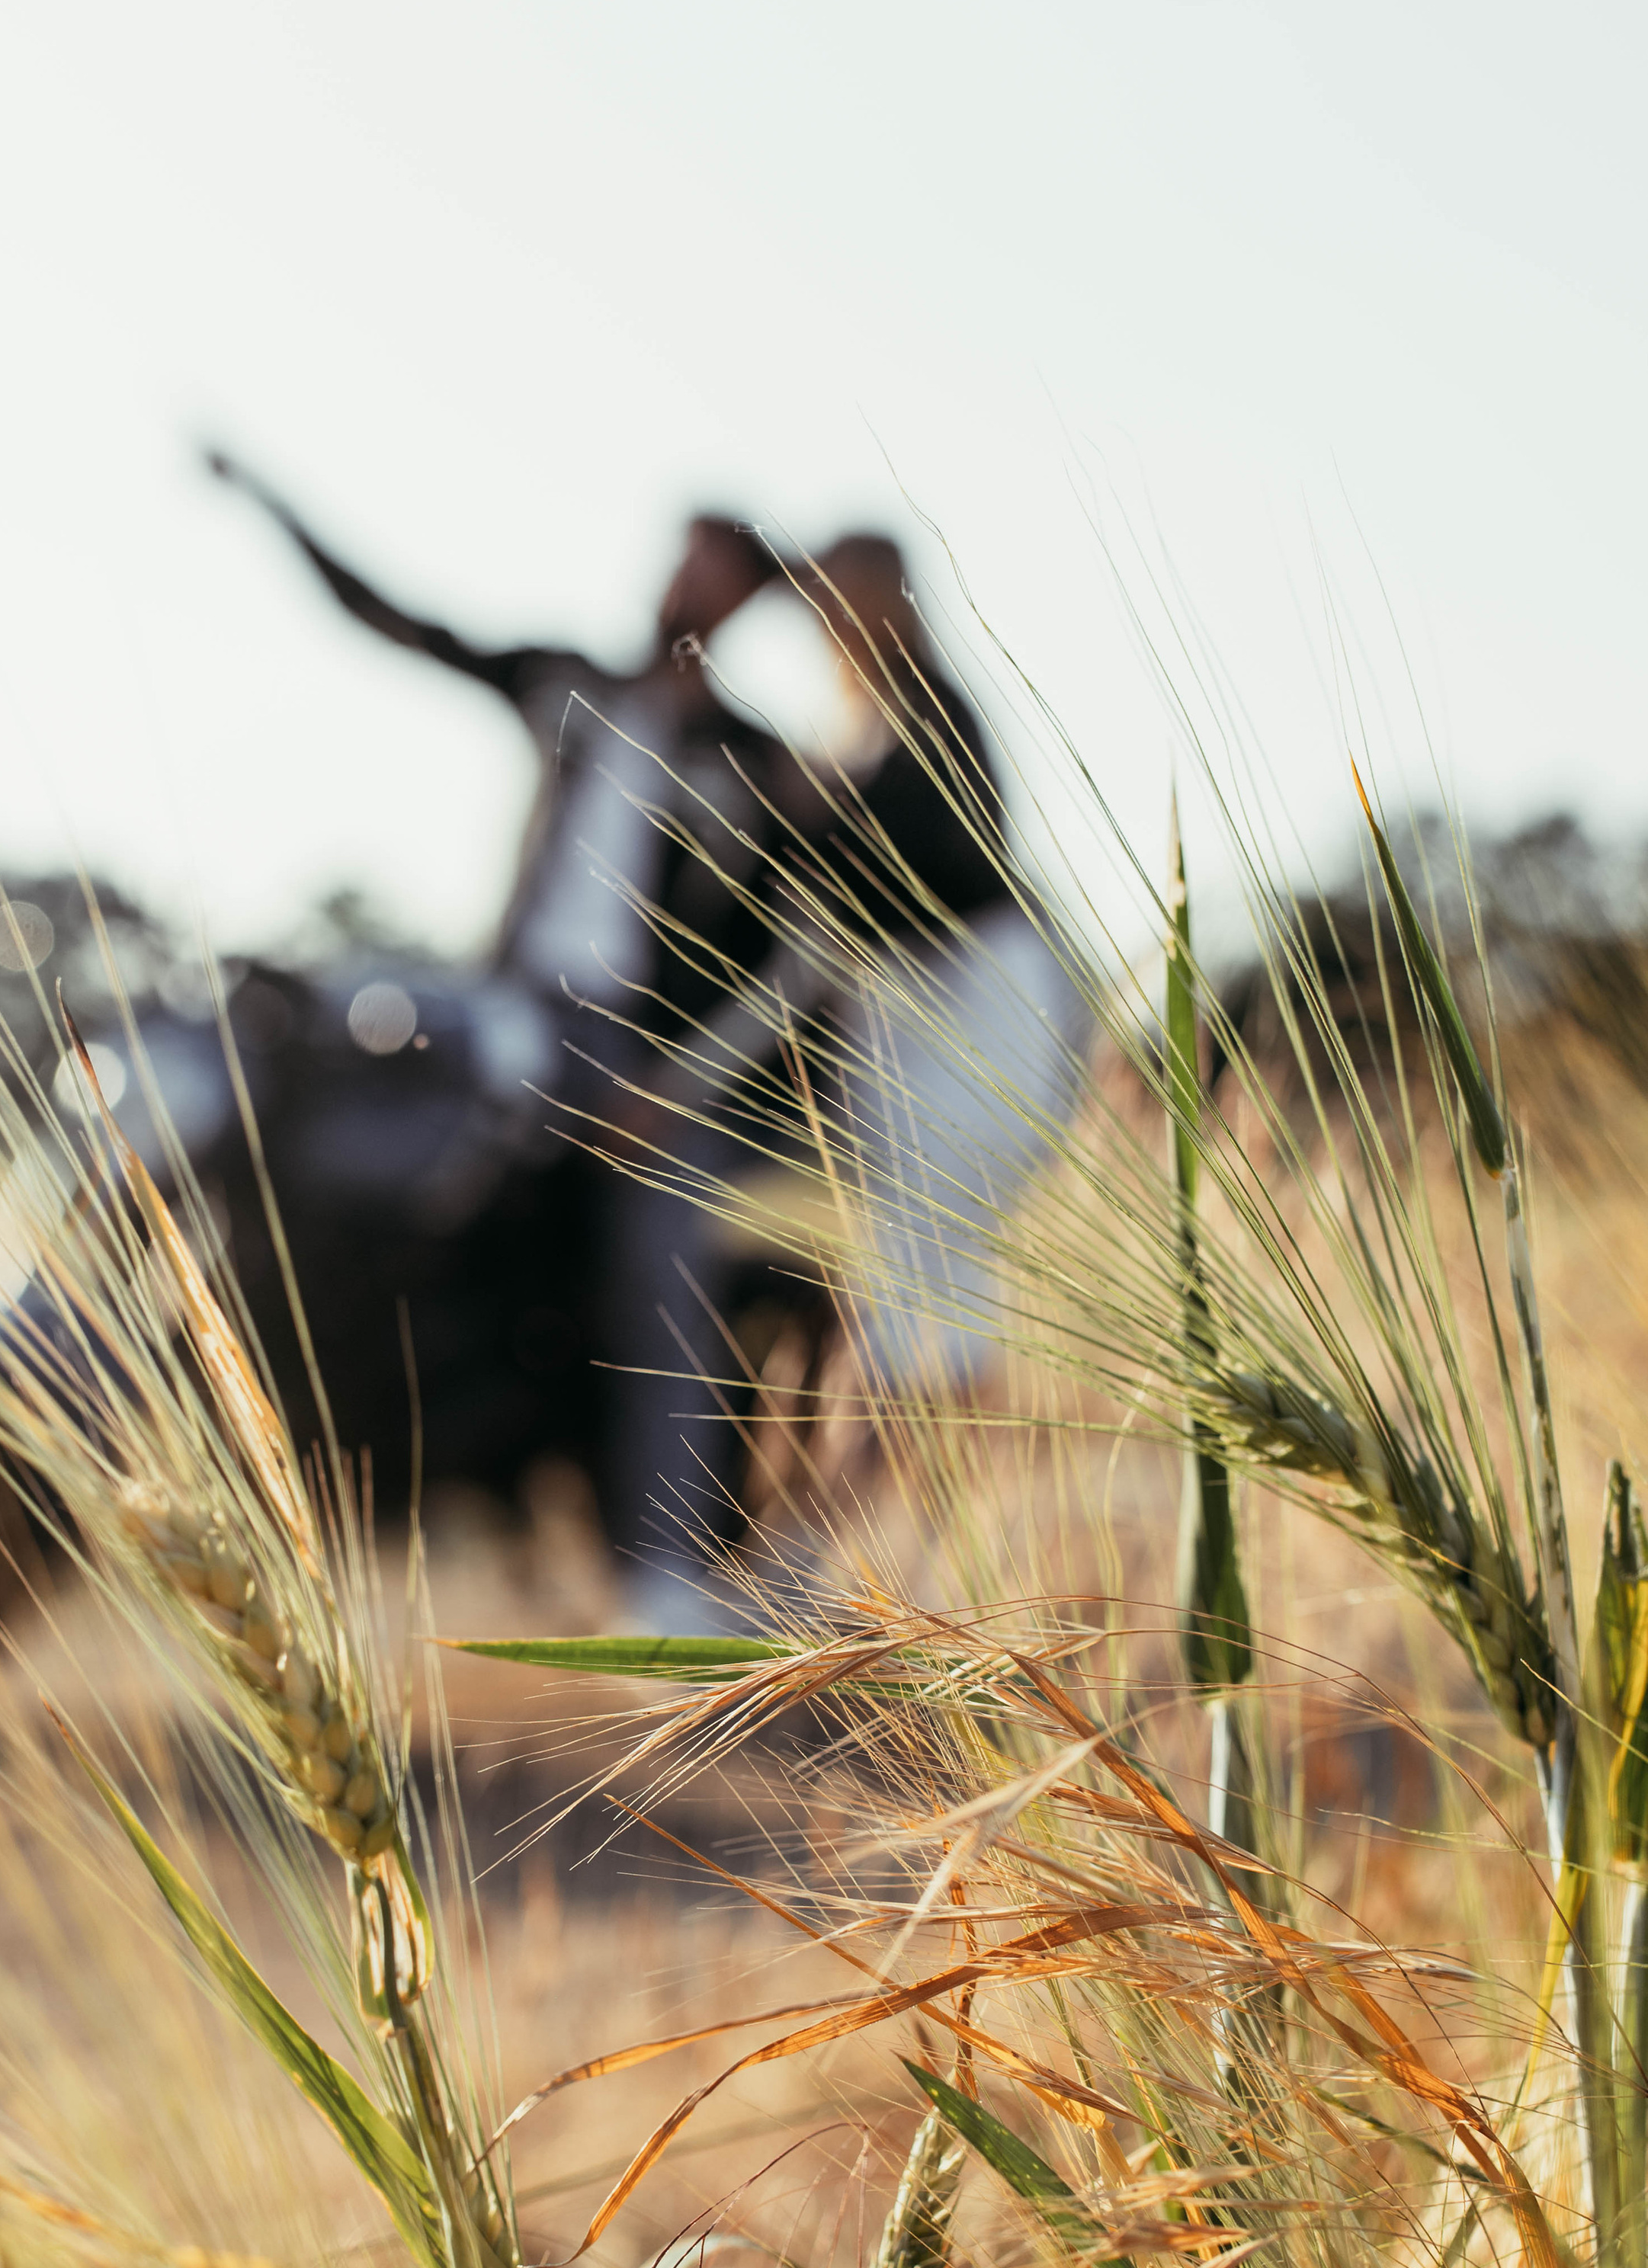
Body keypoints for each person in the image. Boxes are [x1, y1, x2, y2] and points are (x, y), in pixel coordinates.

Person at [205, 453, 792, 1626]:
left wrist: (685, 1087)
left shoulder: (746, 759)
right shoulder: (566, 684)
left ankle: (662, 1572)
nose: (685, 587)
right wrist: (271, 503)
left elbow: (772, 947)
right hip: (498, 1006)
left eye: (714, 573)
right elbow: (401, 623)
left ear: (745, 604)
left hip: (628, 1050)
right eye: (681, 559)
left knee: (657, 1265)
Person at [794, 532, 1081, 1394]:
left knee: (937, 1261)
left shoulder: (935, 715)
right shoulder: (868, 724)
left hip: (969, 1011)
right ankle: (915, 1505)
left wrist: (820, 808)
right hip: (908, 1023)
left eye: (843, 599)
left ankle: (920, 1488)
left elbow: (947, 866)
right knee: (914, 1263)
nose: (828, 623)